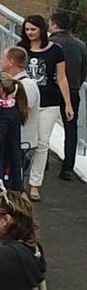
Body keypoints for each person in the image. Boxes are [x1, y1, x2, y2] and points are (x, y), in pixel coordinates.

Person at [17, 15, 72, 198]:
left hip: (49, 102)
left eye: (33, 29)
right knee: (23, 141)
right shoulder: (21, 48)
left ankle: (35, 184)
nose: (30, 33)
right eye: (27, 29)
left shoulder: (56, 50)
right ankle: (18, 179)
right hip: (25, 102)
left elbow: (62, 77)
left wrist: (68, 104)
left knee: (42, 143)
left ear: (42, 29)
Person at [47, 10, 87, 179]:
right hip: (72, 90)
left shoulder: (49, 44)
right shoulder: (80, 45)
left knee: (44, 127)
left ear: (55, 25)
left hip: (50, 91)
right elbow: (84, 69)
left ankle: (42, 162)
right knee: (71, 129)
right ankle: (68, 168)